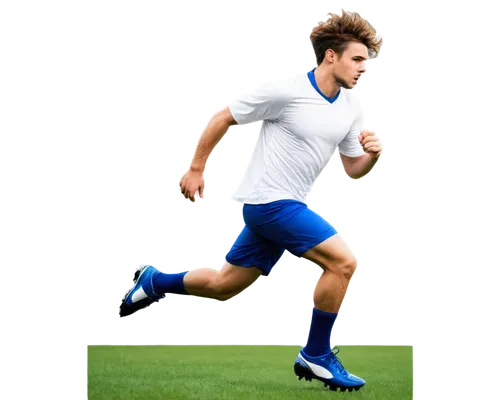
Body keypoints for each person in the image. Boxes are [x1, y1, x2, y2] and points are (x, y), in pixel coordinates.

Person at [118, 8, 384, 392]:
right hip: (269, 202)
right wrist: (196, 167)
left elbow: (352, 170)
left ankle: (157, 281)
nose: (364, 68)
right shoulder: (287, 89)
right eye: (357, 59)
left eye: (367, 61)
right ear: (331, 55)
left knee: (225, 286)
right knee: (344, 262)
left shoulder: (349, 109)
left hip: (289, 205)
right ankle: (316, 354)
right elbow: (225, 116)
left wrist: (373, 156)